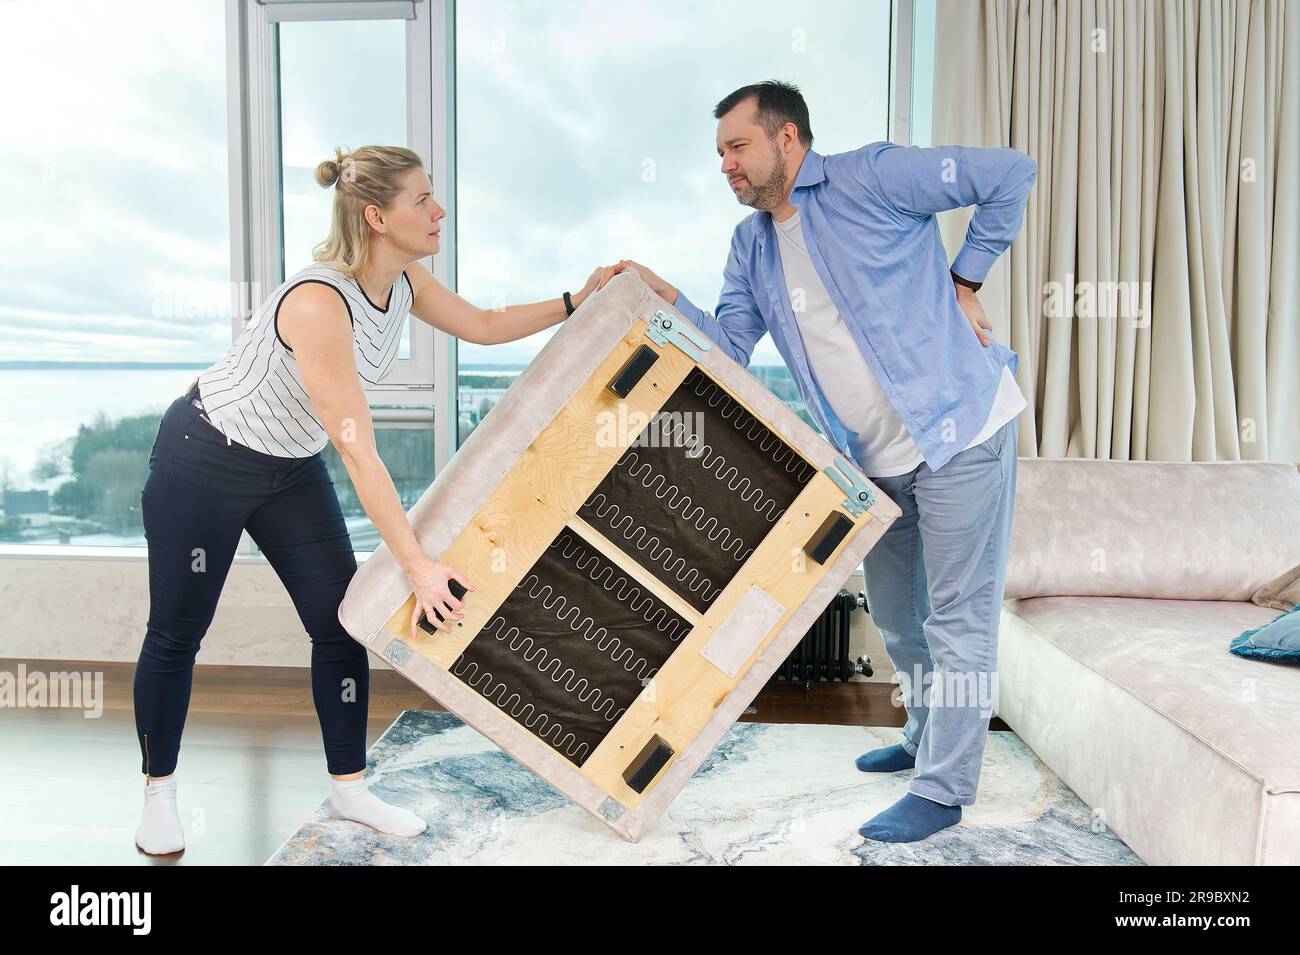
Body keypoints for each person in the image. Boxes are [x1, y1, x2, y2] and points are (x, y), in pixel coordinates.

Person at [133, 143, 613, 855]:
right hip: (206, 456)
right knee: (179, 631)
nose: (438, 210)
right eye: (422, 199)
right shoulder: (319, 302)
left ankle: (349, 787)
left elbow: (482, 324)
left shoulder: (406, 282)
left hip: (288, 466)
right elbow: (358, 448)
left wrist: (579, 298)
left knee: (340, 622)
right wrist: (416, 563)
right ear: (376, 216)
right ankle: (159, 793)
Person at [605, 81, 1036, 844]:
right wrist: (658, 291)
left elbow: (1009, 174)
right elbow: (731, 348)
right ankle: (922, 736)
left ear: (787, 140)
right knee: (900, 619)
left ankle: (944, 791)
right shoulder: (752, 247)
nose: (726, 166)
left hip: (963, 432)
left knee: (959, 621)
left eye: (737, 148)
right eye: (719, 155)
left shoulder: (873, 176)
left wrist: (963, 281)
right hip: (876, 461)